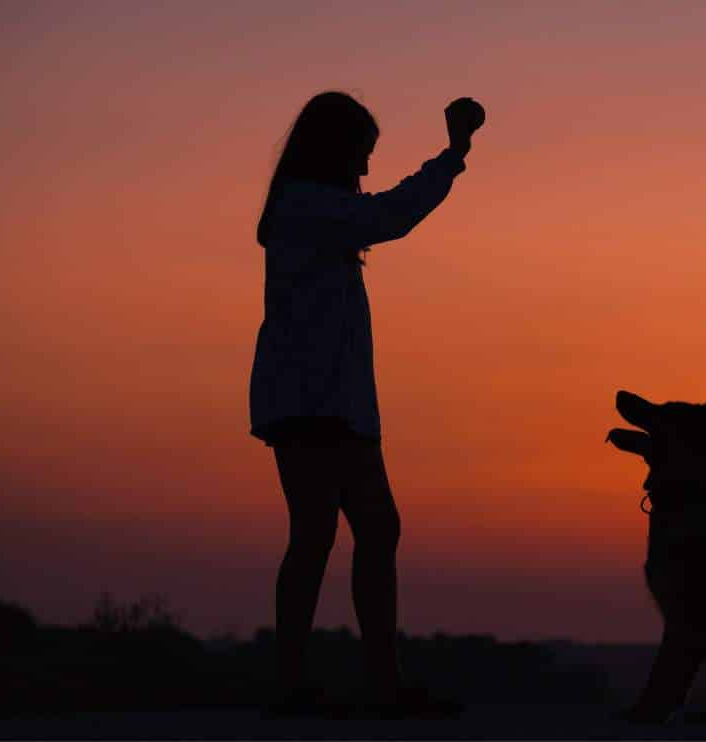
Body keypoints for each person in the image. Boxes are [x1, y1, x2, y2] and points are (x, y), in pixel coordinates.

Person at [248, 90, 485, 717]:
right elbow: (391, 216)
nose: (364, 170)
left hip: (323, 402)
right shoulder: (308, 209)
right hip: (314, 403)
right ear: (334, 151)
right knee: (341, 533)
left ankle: (327, 682)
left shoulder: (306, 209)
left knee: (342, 533)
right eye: (361, 154)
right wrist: (453, 154)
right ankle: (347, 684)